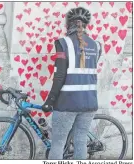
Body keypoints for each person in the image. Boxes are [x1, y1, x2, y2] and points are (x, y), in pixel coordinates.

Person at [42, 7, 102, 160]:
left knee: (58, 143)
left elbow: (60, 75)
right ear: (85, 25)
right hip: (90, 103)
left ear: (68, 24)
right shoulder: (96, 45)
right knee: (80, 141)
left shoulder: (63, 43)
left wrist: (49, 101)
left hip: (67, 103)